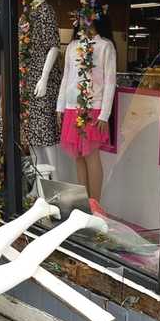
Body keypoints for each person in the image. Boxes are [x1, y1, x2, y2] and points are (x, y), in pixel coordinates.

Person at [56, 14, 116, 214]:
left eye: (87, 18)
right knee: (78, 157)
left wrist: (104, 115)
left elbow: (110, 81)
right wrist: (60, 107)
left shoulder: (105, 46)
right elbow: (66, 78)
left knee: (91, 155)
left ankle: (95, 205)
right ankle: (84, 204)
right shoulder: (72, 46)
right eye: (80, 19)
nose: (83, 23)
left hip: (94, 108)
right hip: (72, 108)